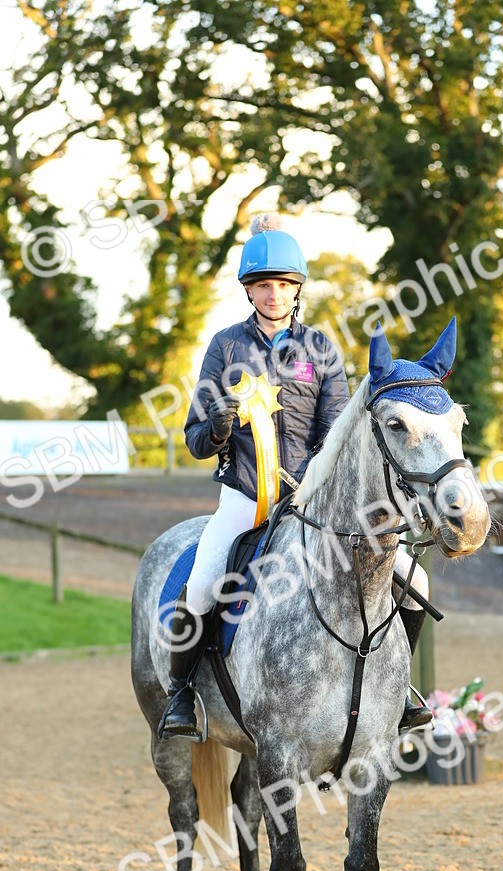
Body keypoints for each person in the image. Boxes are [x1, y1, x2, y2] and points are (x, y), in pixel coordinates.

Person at [158, 214, 432, 740]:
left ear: (296, 289)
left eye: (283, 285)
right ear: (249, 290)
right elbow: (195, 440)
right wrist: (215, 429)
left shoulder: (321, 349)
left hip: (313, 501)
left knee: (414, 580)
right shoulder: (225, 347)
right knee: (200, 585)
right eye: (263, 285)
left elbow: (339, 431)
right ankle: (182, 695)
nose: (273, 294)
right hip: (244, 497)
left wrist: (322, 487)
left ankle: (397, 689)